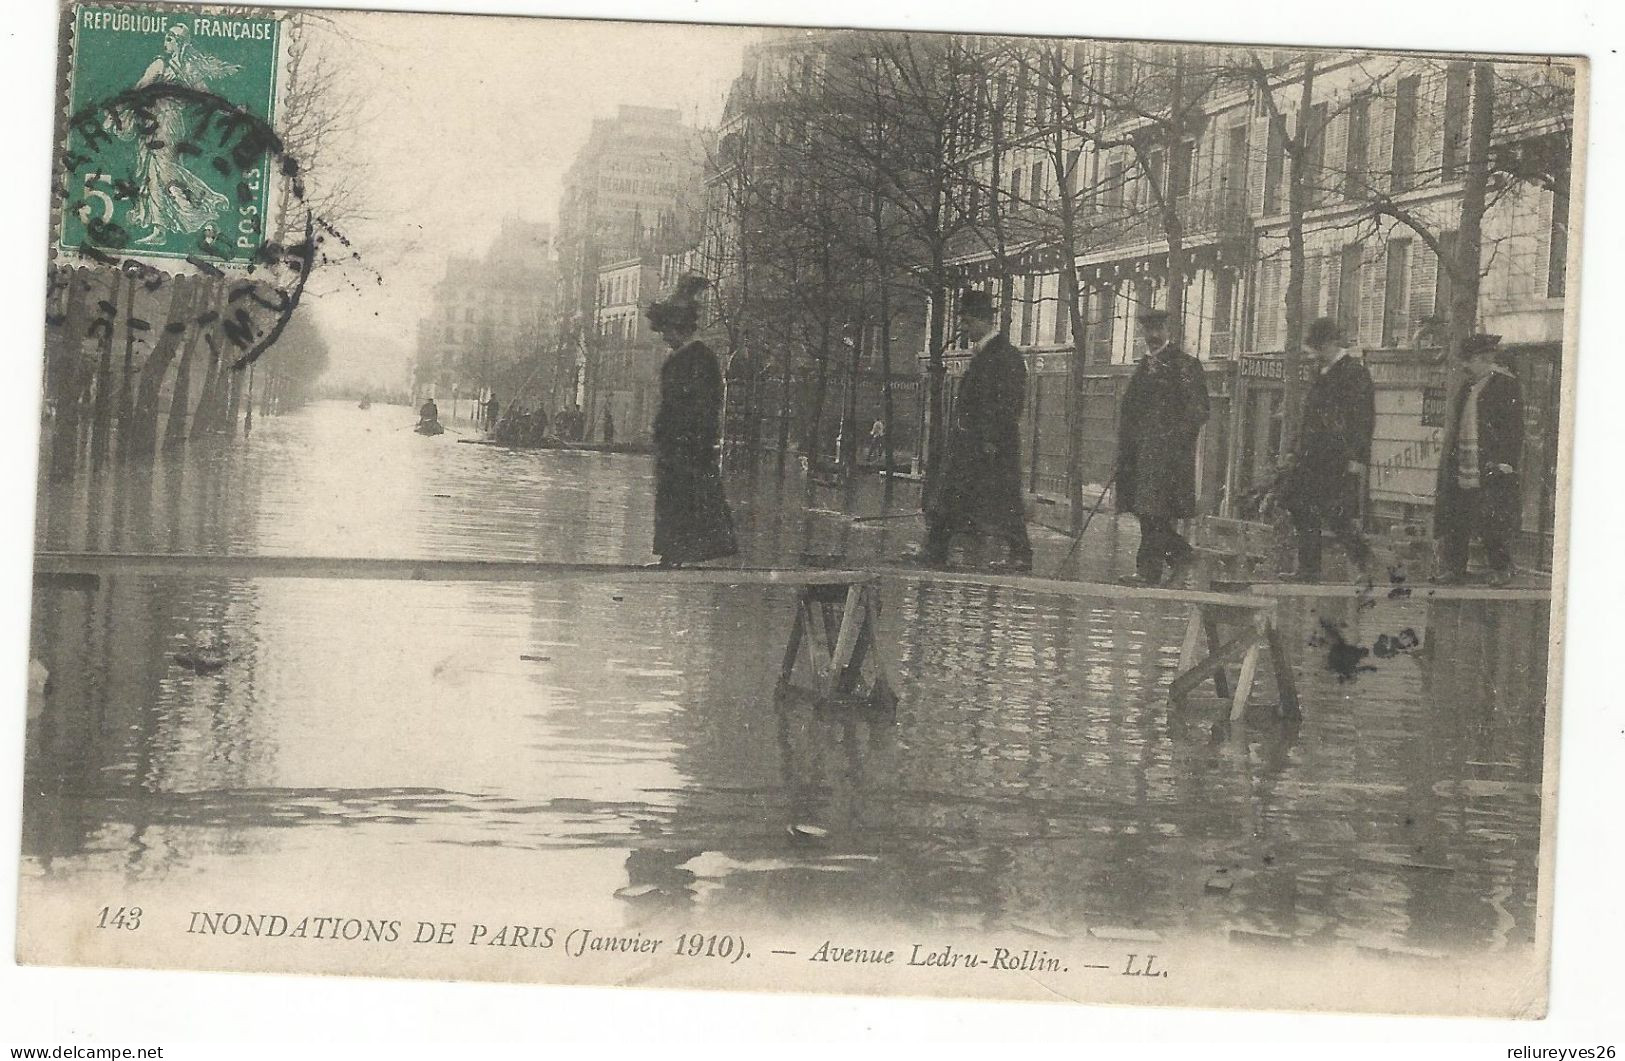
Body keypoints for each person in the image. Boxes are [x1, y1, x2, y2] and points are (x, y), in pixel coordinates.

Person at [919, 289, 1032, 572]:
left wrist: (991, 439)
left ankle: (1020, 554)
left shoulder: (1006, 356)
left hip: (992, 446)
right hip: (972, 444)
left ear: (982, 321)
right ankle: (935, 550)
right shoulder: (985, 354)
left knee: (1004, 501)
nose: (962, 328)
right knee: (955, 496)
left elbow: (1010, 402)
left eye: (966, 322)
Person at [1115, 306, 1210, 586]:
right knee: (1147, 513)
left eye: (1158, 330)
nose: (1153, 336)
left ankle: (1151, 570)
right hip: (1141, 456)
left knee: (1153, 512)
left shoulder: (1185, 365)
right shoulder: (1143, 367)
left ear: (1168, 331)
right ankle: (1179, 556)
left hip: (1170, 458)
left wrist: (1173, 438)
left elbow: (1200, 410)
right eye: (1148, 331)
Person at [647, 275, 738, 567]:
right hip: (678, 445)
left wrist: (683, 437)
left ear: (678, 328)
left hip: (688, 445)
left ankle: (681, 552)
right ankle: (674, 552)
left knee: (687, 496)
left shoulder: (697, 359)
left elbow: (702, 407)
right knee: (678, 496)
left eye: (666, 331)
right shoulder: (688, 358)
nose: (664, 337)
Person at [1278, 317, 1375, 582]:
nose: (1315, 354)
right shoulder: (1319, 372)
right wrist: (1294, 451)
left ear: (1332, 344)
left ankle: (1364, 560)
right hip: (1310, 457)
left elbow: (1364, 419)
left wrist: (1357, 457)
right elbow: (1307, 417)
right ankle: (1309, 569)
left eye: (1319, 348)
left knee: (1336, 515)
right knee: (1300, 506)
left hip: (1337, 457)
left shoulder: (1355, 373)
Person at [1433, 333, 1523, 586]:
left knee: (1490, 519)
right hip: (1463, 463)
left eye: (1469, 361)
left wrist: (1507, 461)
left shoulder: (1505, 385)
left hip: (1491, 464)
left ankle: (1501, 568)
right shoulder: (1467, 387)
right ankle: (1454, 567)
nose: (1464, 366)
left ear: (1484, 360)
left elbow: (1514, 428)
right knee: (1458, 517)